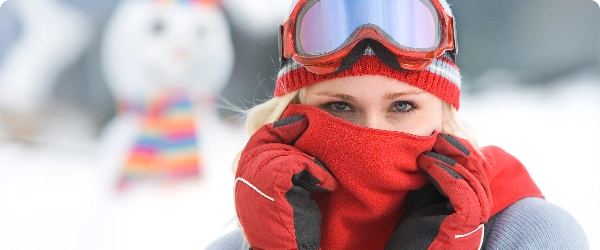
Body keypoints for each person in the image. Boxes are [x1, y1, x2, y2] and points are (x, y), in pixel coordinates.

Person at [207, 0, 589, 249]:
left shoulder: (532, 234)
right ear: (292, 115)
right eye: (339, 106)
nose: (372, 132)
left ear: (443, 115)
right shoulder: (238, 246)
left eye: (403, 106)